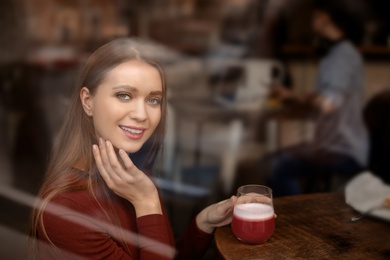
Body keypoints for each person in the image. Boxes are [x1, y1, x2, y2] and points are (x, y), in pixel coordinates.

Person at [28, 38, 239, 259]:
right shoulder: (66, 210)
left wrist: (203, 222)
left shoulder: (131, 177)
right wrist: (147, 202)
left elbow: (158, 252)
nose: (141, 114)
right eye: (124, 95)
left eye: (153, 100)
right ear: (88, 101)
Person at [268, 0, 368, 196]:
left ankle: (301, 220)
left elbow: (328, 103)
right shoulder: (337, 53)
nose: (312, 21)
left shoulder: (342, 57)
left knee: (276, 167)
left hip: (343, 147)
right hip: (333, 142)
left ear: (324, 18)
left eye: (315, 16)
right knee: (277, 160)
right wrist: (292, 98)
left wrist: (293, 95)